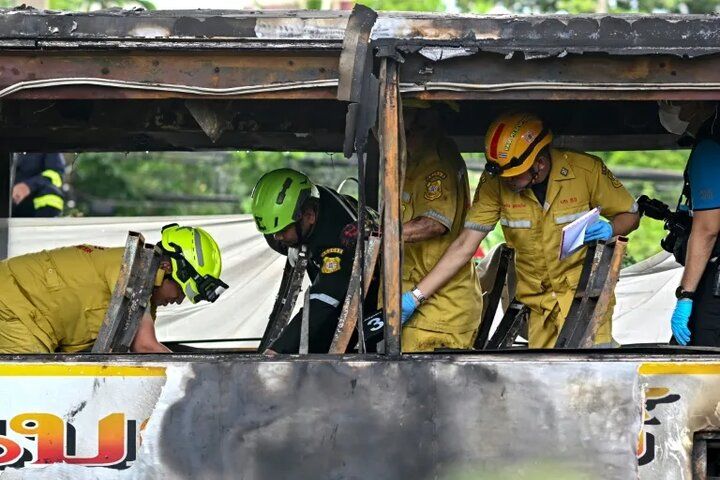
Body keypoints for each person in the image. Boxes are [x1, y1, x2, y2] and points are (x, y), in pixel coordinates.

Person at [402, 111, 640, 348]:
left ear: (539, 162)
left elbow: (631, 215)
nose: (508, 182)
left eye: (514, 175)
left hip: (585, 299)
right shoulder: (494, 184)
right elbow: (465, 245)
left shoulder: (586, 171)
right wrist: (416, 297)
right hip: (538, 303)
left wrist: (610, 228)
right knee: (544, 379)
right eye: (503, 176)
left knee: (592, 375)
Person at [0, 224, 227, 353]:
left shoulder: (142, 299)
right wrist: (195, 375)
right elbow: (145, 347)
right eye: (180, 290)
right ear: (167, 267)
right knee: (33, 395)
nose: (178, 301)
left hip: (23, 313)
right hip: (13, 304)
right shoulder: (136, 268)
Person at [251, 168, 378, 354]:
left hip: (374, 300)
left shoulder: (339, 238)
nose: (277, 237)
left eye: (283, 231)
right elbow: (277, 234)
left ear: (309, 215)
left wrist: (277, 350)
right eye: (271, 233)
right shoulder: (305, 205)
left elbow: (323, 302)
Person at [399, 104, 482, 352]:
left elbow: (434, 224)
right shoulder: (414, 161)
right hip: (420, 304)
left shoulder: (436, 162)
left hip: (438, 312)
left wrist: (380, 237)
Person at [658, 101, 720, 346]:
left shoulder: (710, 146)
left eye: (673, 100)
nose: (667, 107)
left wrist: (685, 296)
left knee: (700, 357)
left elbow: (707, 229)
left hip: (715, 287)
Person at [12, 153, 66, 217]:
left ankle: (46, 224)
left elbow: (55, 174)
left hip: (34, 200)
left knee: (50, 192)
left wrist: (28, 186)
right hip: (8, 204)